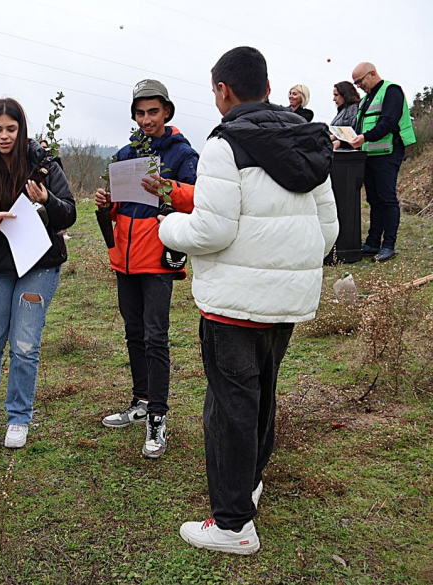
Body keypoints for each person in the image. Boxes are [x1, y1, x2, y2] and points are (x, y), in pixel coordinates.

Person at [158, 46, 338, 554]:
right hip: (287, 301)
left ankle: (234, 522)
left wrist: (169, 228)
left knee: (229, 407)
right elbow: (330, 230)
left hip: (233, 306)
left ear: (223, 91)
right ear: (267, 84)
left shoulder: (224, 145)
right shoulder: (307, 140)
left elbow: (213, 230)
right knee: (261, 394)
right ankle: (249, 481)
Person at [0, 98, 76, 449]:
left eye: (11, 129)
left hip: (40, 265)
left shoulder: (45, 167)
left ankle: (19, 417)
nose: (4, 136)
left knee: (24, 345)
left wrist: (48, 199)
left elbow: (68, 213)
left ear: (21, 129)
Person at [94, 79, 198, 459]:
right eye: (140, 112)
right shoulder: (125, 153)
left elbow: (196, 201)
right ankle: (140, 401)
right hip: (125, 258)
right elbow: (121, 209)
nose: (146, 119)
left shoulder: (183, 154)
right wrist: (107, 203)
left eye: (153, 111)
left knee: (157, 337)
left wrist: (166, 188)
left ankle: (158, 417)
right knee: (134, 333)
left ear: (167, 112)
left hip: (157, 259)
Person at [349, 62, 417, 262]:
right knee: (374, 200)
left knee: (387, 199)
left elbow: (388, 122)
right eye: (355, 83)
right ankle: (372, 243)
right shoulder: (366, 99)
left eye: (360, 81)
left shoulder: (391, 91)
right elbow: (357, 126)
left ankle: (389, 245)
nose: (358, 86)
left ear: (372, 73)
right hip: (370, 154)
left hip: (388, 153)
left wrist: (364, 137)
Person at [330, 81, 361, 150]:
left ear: (345, 94)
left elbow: (354, 131)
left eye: (336, 95)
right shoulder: (343, 111)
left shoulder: (353, 108)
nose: (334, 99)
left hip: (348, 153)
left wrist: (335, 137)